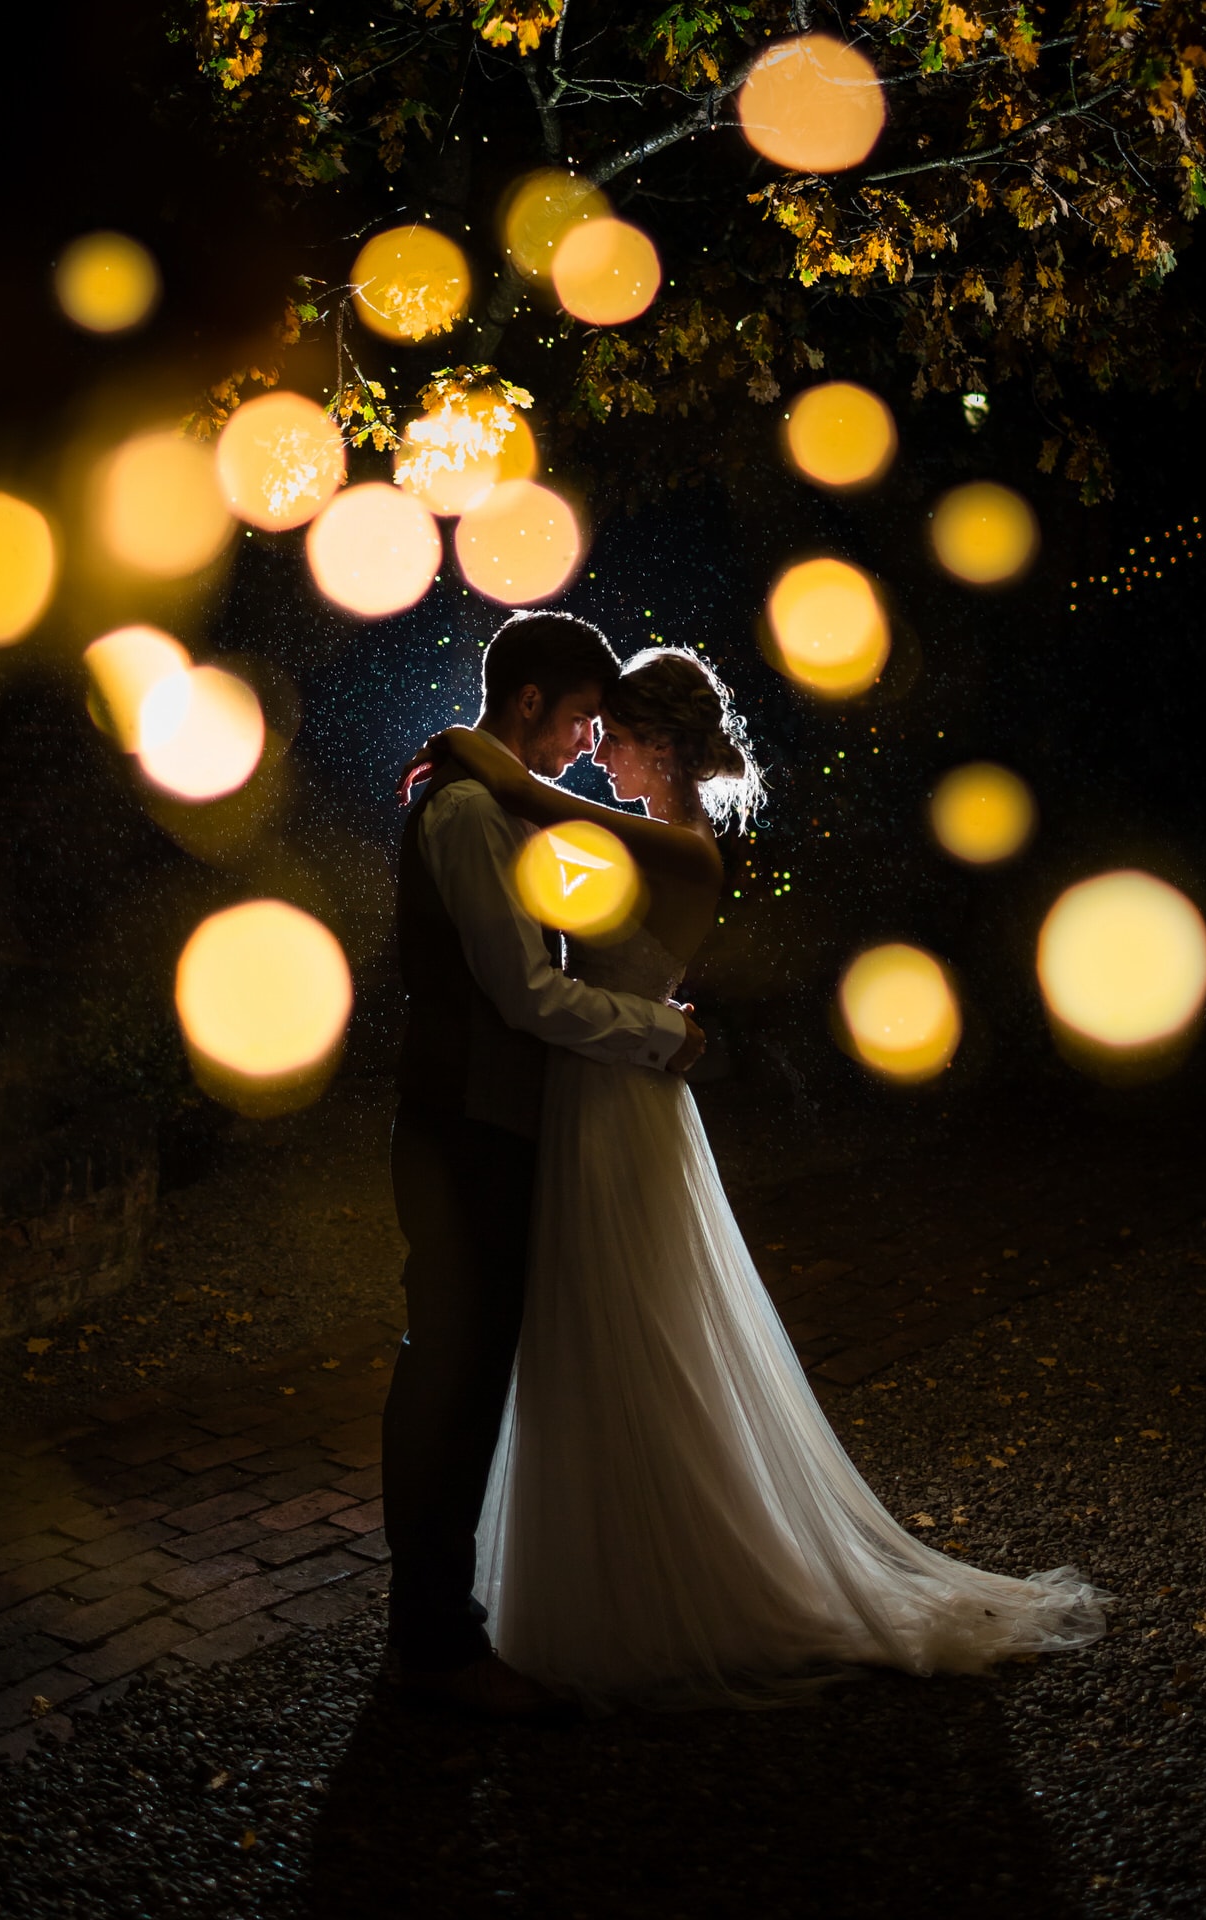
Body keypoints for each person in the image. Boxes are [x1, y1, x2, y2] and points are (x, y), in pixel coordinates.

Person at [427, 644, 1112, 1714]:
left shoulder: (679, 847)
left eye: (612, 732)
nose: (594, 746)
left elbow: (521, 796)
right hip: (608, 1086)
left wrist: (470, 755)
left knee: (629, 1326)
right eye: (589, 726)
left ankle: (663, 1583)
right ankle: (618, 1567)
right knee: (606, 1328)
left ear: (657, 744)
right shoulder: (657, 839)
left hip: (618, 1097)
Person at [381, 611, 705, 1723]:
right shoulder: (470, 813)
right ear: (529, 703)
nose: (582, 740)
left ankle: (435, 1625)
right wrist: (659, 1034)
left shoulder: (491, 802)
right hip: (467, 1124)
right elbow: (525, 996)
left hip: (480, 1119)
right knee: (453, 1380)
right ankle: (434, 1642)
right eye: (575, 716)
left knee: (461, 1374)